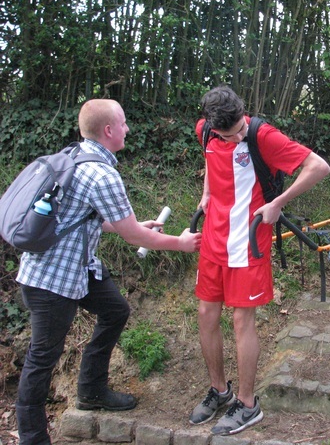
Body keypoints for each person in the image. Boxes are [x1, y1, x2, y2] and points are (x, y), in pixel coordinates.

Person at [15, 99, 203, 445]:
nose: (128, 129)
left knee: (115, 310)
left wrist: (125, 226)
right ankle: (33, 437)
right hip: (52, 280)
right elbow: (134, 236)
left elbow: (80, 216)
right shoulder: (101, 173)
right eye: (124, 123)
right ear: (108, 130)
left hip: (76, 268)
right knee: (42, 359)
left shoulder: (73, 156)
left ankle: (91, 390)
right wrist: (180, 242)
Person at [191, 85, 330, 435]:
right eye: (229, 134)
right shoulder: (205, 130)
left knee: (241, 320)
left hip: (249, 238)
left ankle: (248, 403)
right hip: (213, 237)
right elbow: (209, 161)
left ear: (242, 113)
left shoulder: (262, 136)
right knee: (206, 313)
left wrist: (278, 202)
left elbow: (319, 167)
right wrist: (207, 193)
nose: (236, 136)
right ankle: (219, 390)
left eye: (239, 129)